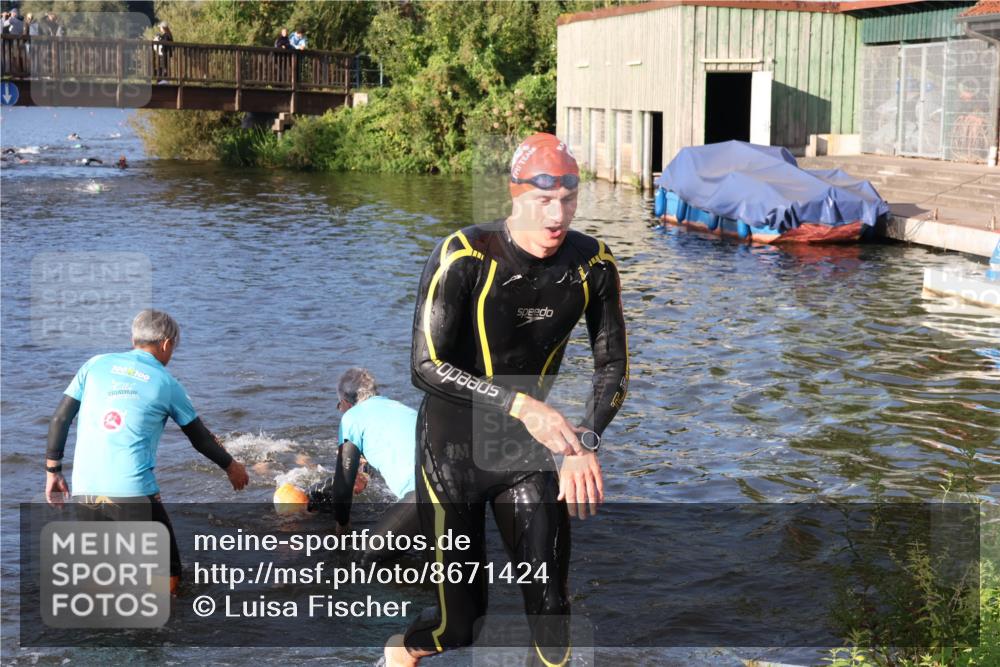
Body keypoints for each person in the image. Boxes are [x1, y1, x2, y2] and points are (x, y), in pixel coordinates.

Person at [383, 132, 629, 667]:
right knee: (460, 627)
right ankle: (399, 652)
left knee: (552, 610)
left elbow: (613, 367)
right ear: (515, 196)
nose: (556, 216)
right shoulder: (465, 256)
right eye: (543, 201)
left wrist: (584, 440)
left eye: (567, 200)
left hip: (524, 455)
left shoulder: (593, 265)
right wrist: (524, 406)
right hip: (450, 456)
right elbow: (424, 366)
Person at [44, 309, 250, 594]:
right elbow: (200, 438)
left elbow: (60, 419)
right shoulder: (167, 383)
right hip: (134, 493)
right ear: (166, 344)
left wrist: (53, 470)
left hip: (85, 490)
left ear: (133, 338)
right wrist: (232, 467)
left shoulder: (94, 365)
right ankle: (165, 629)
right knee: (169, 573)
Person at [279, 368, 421, 564]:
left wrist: (343, 527)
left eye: (339, 406)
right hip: (458, 486)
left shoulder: (352, 417)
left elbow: (343, 485)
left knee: (362, 561)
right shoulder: (401, 408)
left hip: (423, 494)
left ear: (345, 403)